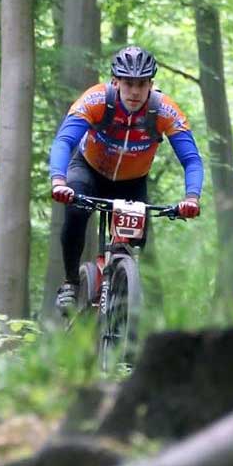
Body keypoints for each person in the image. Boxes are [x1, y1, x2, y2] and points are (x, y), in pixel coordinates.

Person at [47, 46, 205, 309]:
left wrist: (191, 197)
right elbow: (64, 140)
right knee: (75, 213)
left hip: (132, 182)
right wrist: (58, 181)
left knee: (131, 244)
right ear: (115, 81)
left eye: (141, 84)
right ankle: (72, 283)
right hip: (89, 170)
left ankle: (120, 300)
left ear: (151, 84)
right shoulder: (96, 99)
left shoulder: (164, 111)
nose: (134, 91)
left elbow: (191, 159)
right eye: (128, 83)